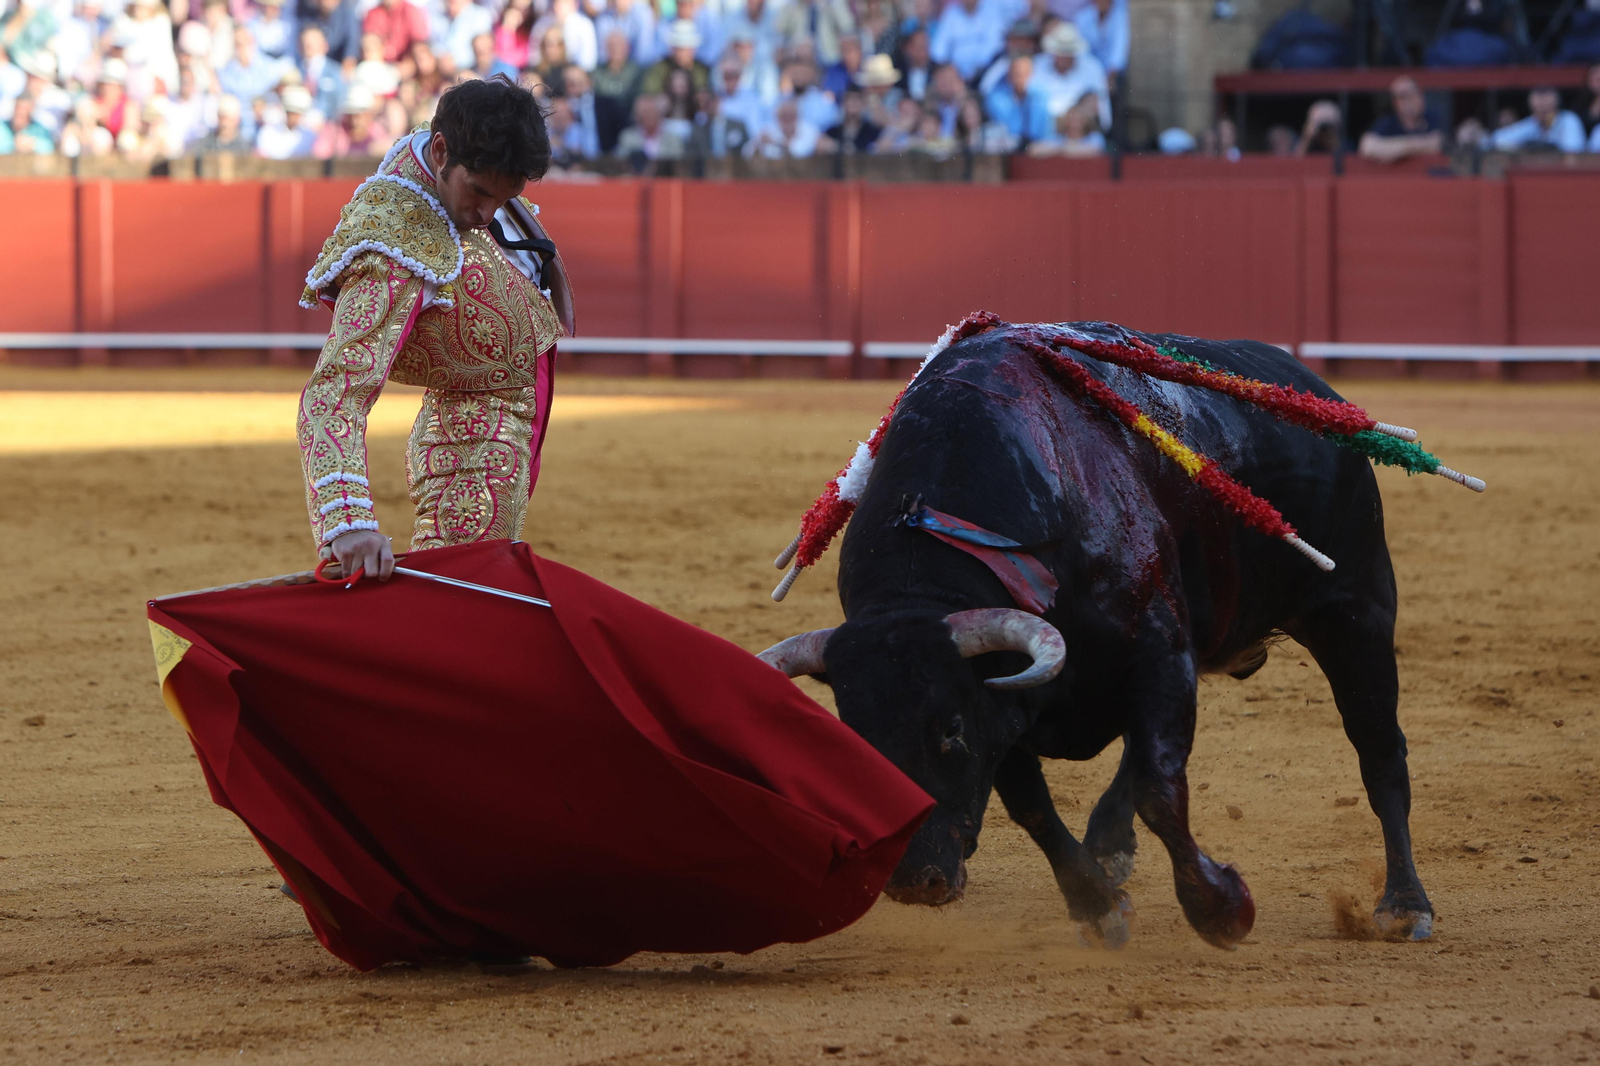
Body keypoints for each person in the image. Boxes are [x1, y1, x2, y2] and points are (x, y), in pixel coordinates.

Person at [300, 76, 573, 579]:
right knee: (460, 601)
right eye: (480, 193)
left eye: (505, 199)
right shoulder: (392, 245)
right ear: (443, 152)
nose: (486, 214)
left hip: (501, 424)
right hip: (468, 443)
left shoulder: (452, 146)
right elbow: (335, 391)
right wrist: (347, 521)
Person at [1029, 21, 1109, 130]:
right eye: (1060, 51)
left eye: (1068, 52)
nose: (1064, 56)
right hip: (1045, 131)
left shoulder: (1092, 67)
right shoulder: (1037, 65)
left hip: (1082, 132)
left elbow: (1103, 113)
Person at [1358, 75, 1444, 163]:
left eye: (1410, 95)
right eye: (1402, 97)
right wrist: (1411, 145)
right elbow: (1367, 147)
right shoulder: (1388, 123)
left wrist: (1394, 150)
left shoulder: (1433, 118)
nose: (1407, 102)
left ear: (1420, 96)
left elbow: (1438, 143)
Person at [1482, 86, 1586, 153]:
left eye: (1546, 109)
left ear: (1555, 106)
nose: (1542, 113)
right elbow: (1497, 139)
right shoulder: (1533, 122)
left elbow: (1574, 150)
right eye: (1538, 110)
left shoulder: (1569, 120)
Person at [984, 53, 1052, 148]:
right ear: (1009, 75)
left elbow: (1043, 131)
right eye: (1018, 74)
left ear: (1031, 74)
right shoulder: (996, 99)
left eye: (1025, 74)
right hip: (1008, 149)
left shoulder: (1041, 96)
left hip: (1038, 148)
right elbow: (1007, 131)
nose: (1021, 79)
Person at [929, 0, 1007, 81]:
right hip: (955, 75)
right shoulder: (950, 13)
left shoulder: (991, 11)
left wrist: (979, 67)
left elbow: (995, 46)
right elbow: (938, 50)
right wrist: (951, 69)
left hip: (985, 70)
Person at [640, 20, 710, 95]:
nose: (681, 54)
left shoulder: (701, 71)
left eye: (684, 49)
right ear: (671, 49)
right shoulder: (660, 68)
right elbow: (648, 94)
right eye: (678, 48)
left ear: (693, 50)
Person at [822, 86, 880, 152]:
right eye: (850, 99)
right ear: (843, 103)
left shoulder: (872, 132)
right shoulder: (832, 132)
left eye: (857, 99)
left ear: (863, 104)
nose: (853, 102)